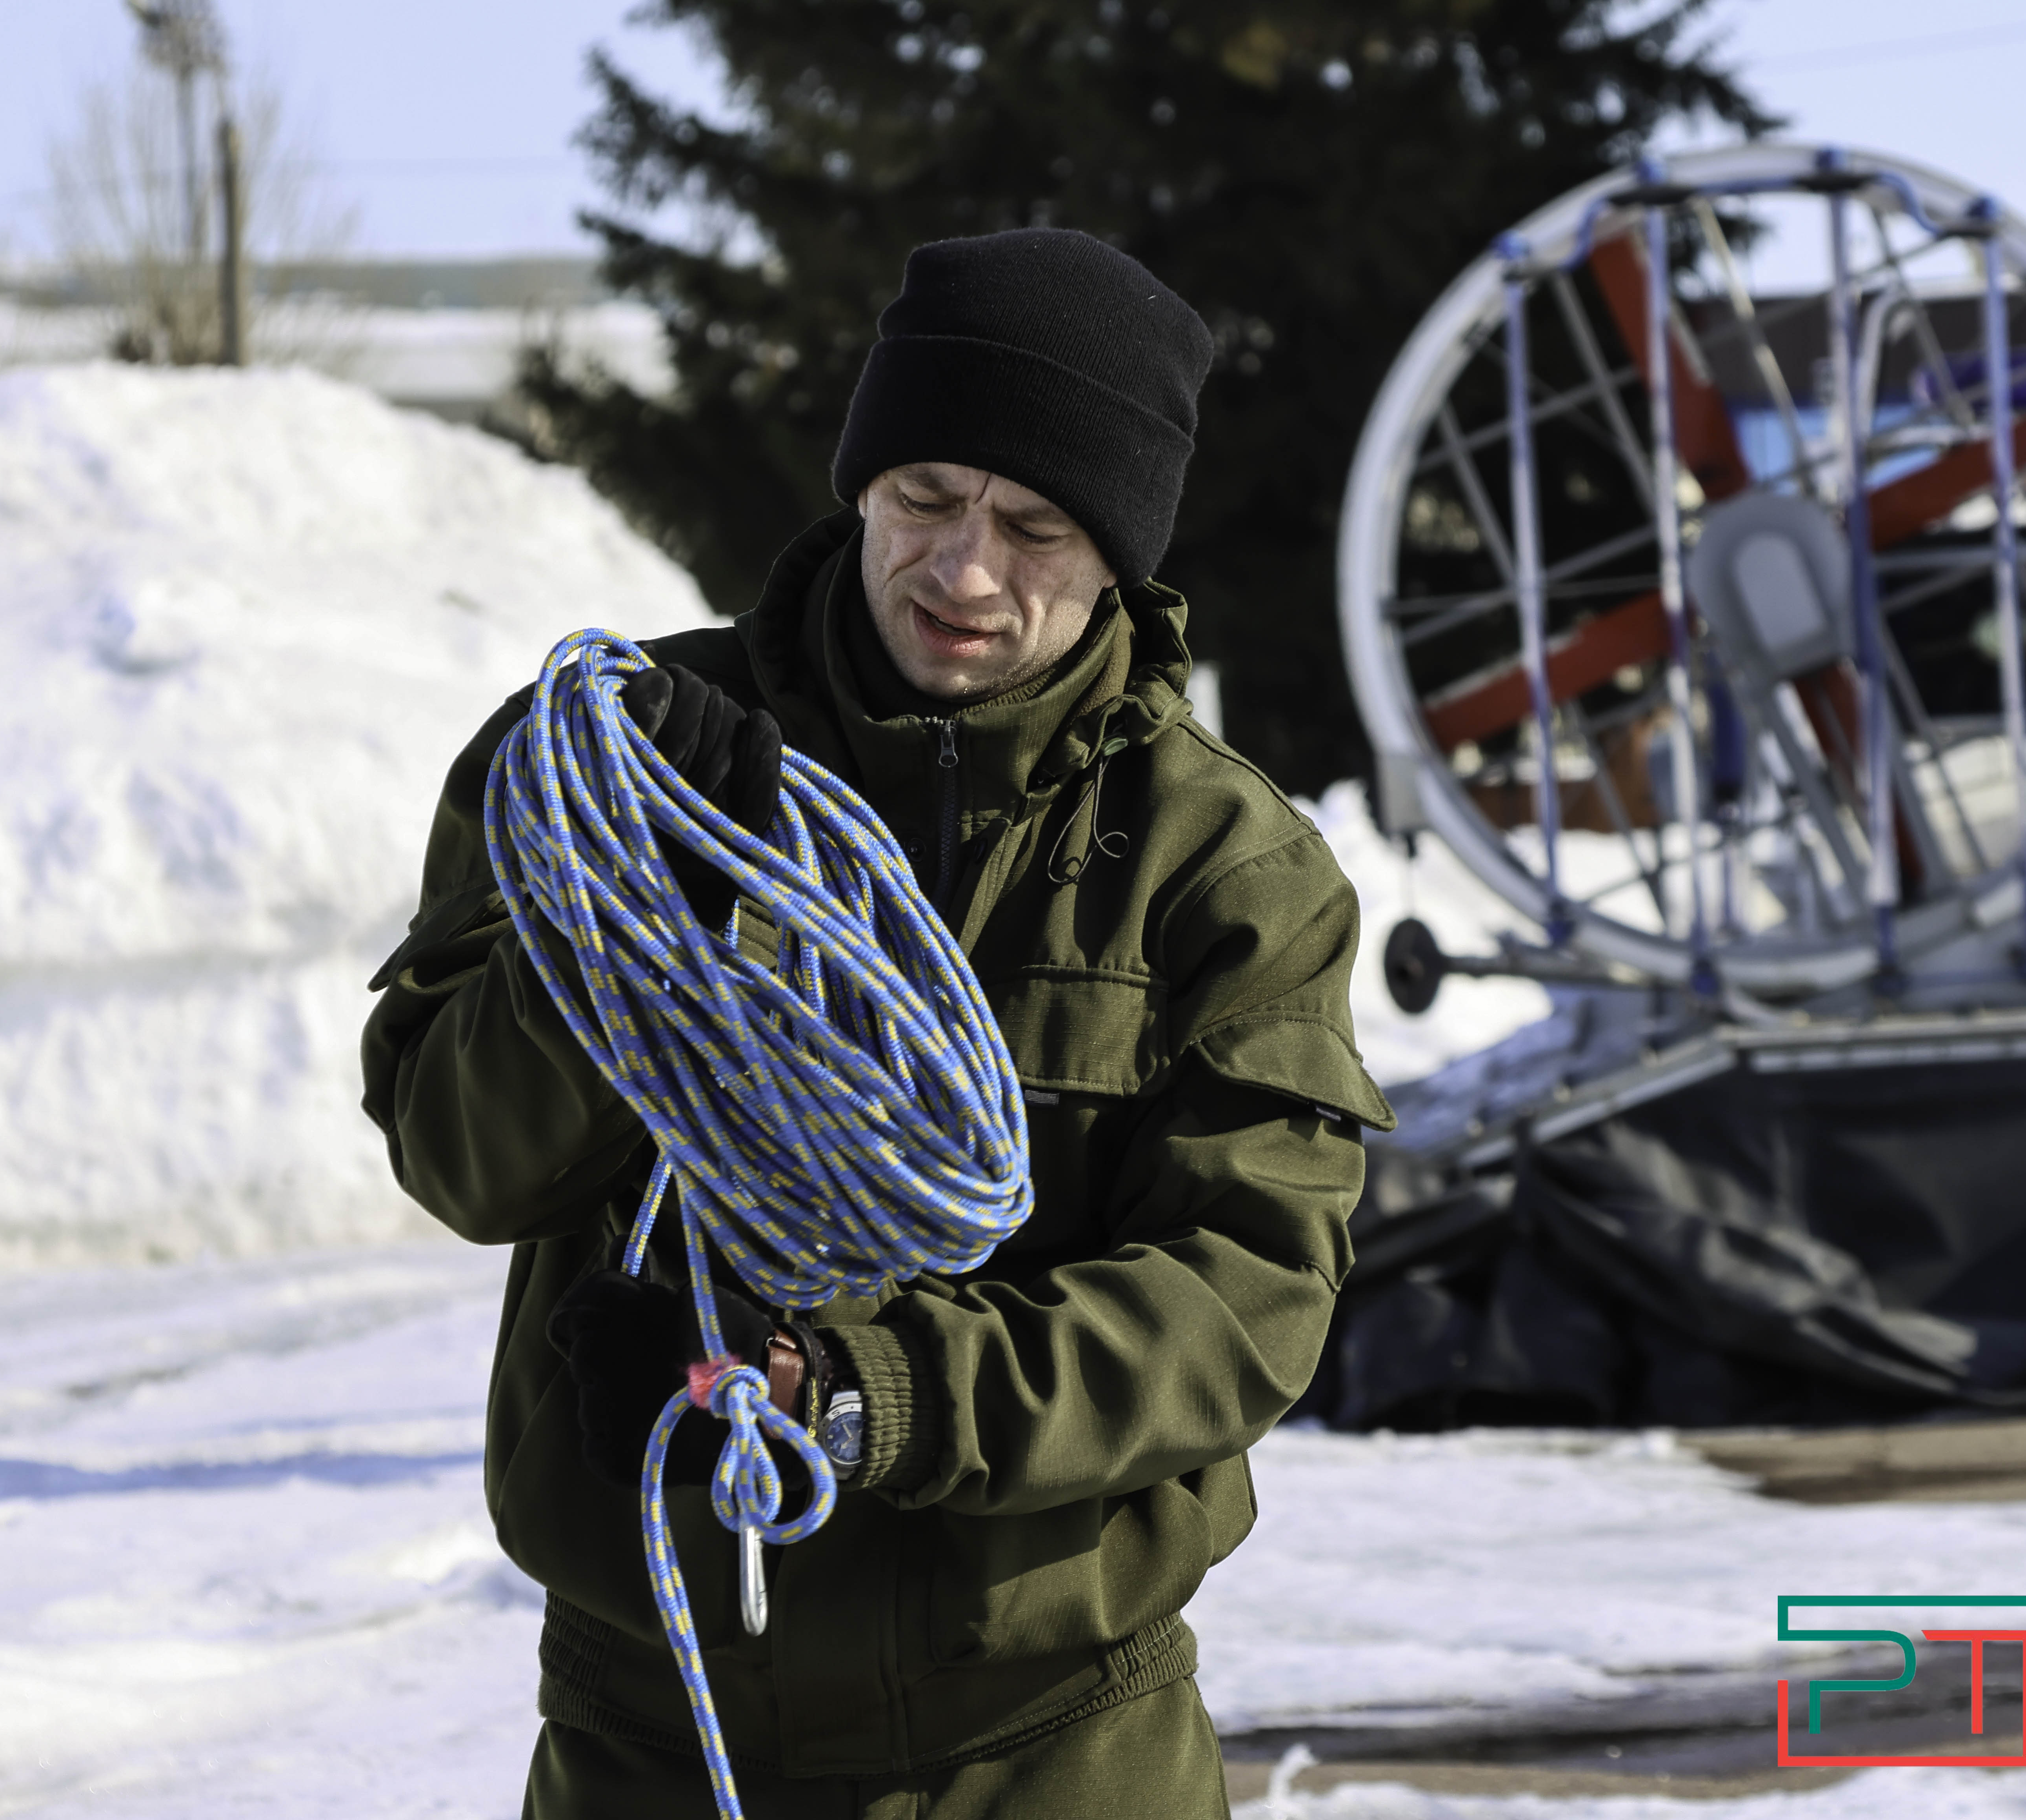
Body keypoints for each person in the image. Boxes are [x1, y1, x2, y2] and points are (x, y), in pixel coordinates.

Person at [360, 226, 1394, 1819]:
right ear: (860, 488)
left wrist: (854, 1393)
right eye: (924, 497)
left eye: (1036, 527)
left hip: (1053, 1748)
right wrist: (637, 917)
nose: (965, 572)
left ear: (1121, 553)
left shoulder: (1224, 872)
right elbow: (460, 1158)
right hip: (658, 1734)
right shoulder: (618, 767)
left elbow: (1241, 1302)